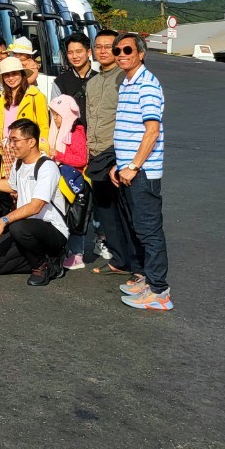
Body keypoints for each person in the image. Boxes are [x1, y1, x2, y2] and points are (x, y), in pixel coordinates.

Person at [111, 33, 173, 311]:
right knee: (137, 228)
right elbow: (129, 129)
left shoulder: (147, 84)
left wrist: (134, 165)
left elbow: (152, 130)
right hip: (129, 168)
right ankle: (146, 278)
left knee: (149, 231)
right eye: (117, 50)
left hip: (143, 172)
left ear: (141, 53)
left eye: (127, 49)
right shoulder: (127, 82)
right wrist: (120, 163)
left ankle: (160, 292)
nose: (121, 54)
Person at [0, 119, 68, 286]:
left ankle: (40, 267)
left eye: (15, 140)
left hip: (52, 230)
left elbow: (36, 207)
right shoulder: (19, 163)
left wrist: (3, 221)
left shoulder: (47, 167)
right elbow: (10, 185)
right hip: (27, 229)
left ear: (31, 142)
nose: (11, 144)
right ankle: (50, 262)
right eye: (10, 139)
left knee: (17, 226)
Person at [84, 29, 138, 276]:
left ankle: (136, 262)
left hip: (117, 153)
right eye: (99, 46)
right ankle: (119, 259)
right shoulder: (93, 82)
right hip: (95, 154)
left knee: (126, 211)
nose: (103, 51)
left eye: (109, 46)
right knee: (105, 211)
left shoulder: (125, 78)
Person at [46, 93, 88, 269]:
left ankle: (77, 255)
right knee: (65, 216)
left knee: (75, 217)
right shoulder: (62, 131)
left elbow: (81, 159)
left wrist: (58, 155)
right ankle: (68, 252)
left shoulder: (76, 132)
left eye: (57, 115)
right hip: (64, 179)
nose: (54, 119)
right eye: (53, 115)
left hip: (73, 183)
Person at [0, 56, 49, 174]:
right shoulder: (0, 97)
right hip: (5, 148)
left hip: (27, 148)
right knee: (8, 186)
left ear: (22, 74)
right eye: (7, 75)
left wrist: (41, 149)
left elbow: (43, 126)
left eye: (14, 73)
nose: (11, 78)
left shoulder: (36, 96)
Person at [7, 36, 60, 102]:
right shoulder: (13, 62)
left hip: (27, 88)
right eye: (15, 53)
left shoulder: (31, 64)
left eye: (21, 54)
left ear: (28, 55)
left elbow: (33, 76)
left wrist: (22, 84)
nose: (17, 56)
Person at [54, 33, 93, 121]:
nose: (74, 56)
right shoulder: (60, 81)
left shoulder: (100, 78)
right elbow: (55, 112)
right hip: (70, 133)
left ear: (89, 52)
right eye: (70, 53)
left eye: (79, 52)